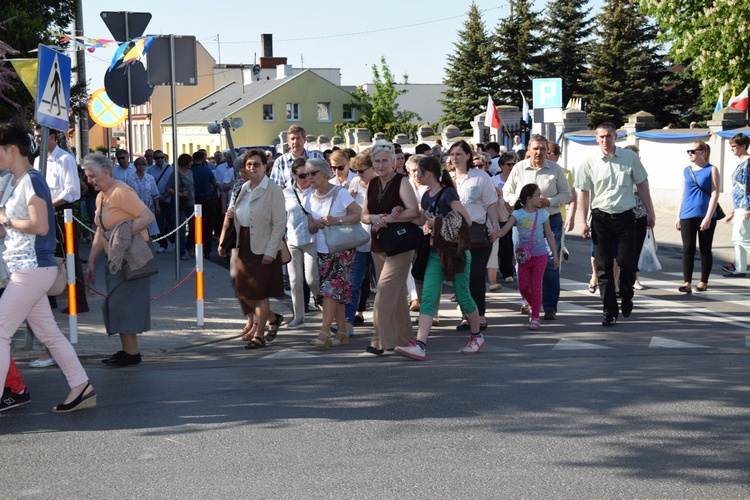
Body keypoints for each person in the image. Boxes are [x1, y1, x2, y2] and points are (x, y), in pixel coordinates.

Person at [0, 122, 95, 412]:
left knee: (0, 333)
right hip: (24, 269)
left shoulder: (32, 180)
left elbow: (41, 226)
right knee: (50, 334)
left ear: (11, 150)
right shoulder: (12, 181)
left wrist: (6, 220)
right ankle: (81, 386)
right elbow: (9, 230)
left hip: (33, 269)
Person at [394, 156, 483, 360]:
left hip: (455, 254)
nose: (414, 175)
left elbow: (466, 221)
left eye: (417, 171)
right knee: (427, 297)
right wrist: (398, 214)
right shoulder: (426, 196)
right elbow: (420, 219)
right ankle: (420, 345)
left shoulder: (447, 193)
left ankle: (476, 336)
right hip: (435, 253)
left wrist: (438, 223)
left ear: (427, 174)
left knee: (463, 296)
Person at [576, 122, 655, 327]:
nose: (605, 140)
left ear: (616, 137)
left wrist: (650, 212)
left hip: (625, 218)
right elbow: (583, 193)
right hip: (600, 219)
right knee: (603, 267)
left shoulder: (630, 159)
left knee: (627, 262)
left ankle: (627, 294)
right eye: (601, 136)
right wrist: (582, 221)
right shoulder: (589, 162)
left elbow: (642, 185)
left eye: (609, 136)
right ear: (596, 138)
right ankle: (609, 310)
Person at [84, 152, 155, 366]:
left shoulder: (122, 191)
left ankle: (132, 354)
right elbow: (100, 229)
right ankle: (128, 351)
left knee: (124, 304)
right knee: (117, 303)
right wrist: (91, 260)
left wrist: (122, 232)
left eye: (93, 176)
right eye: (87, 176)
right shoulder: (102, 195)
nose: (90, 180)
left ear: (107, 172)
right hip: (115, 255)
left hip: (132, 256)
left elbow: (148, 217)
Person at [218, 150, 285, 349]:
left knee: (259, 293)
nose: (252, 168)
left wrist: (271, 252)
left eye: (256, 164)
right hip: (244, 244)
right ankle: (273, 318)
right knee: (243, 292)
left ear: (265, 166)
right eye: (249, 165)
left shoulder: (273, 190)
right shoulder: (243, 188)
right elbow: (240, 216)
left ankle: (259, 334)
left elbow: (279, 224)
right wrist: (232, 218)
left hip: (264, 246)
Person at [361, 140, 421, 355]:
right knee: (395, 294)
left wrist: (387, 219)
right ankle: (406, 339)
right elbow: (364, 215)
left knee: (384, 292)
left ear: (394, 162)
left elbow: (413, 211)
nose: (380, 164)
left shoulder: (402, 182)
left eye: (385, 160)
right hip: (378, 245)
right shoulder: (372, 184)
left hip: (400, 244)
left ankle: (379, 340)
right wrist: (375, 217)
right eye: (376, 161)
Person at [503, 134, 571, 320]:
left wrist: (549, 201)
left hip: (550, 220)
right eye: (535, 148)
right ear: (529, 150)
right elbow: (506, 192)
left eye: (543, 149)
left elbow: (567, 194)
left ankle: (549, 306)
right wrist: (520, 205)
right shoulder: (518, 168)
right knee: (523, 260)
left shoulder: (555, 169)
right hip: (523, 222)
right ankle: (528, 301)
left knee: (550, 263)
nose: (539, 152)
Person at [304, 158, 362, 348]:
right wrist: (315, 224)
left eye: (313, 173)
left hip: (342, 249)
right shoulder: (309, 198)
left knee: (329, 290)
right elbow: (310, 227)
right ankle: (343, 331)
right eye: (307, 174)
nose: (309, 177)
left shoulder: (340, 193)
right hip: (322, 250)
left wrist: (336, 220)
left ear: (325, 173)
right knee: (336, 292)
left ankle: (325, 332)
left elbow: (357, 213)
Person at [449, 140, 500, 332]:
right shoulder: (448, 178)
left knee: (476, 275)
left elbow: (491, 204)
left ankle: (480, 315)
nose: (455, 158)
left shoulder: (480, 176)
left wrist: (495, 227)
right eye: (452, 154)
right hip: (454, 233)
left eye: (459, 154)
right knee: (461, 275)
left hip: (478, 232)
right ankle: (466, 316)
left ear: (468, 156)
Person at [496, 183, 559, 329]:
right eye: (537, 195)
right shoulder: (517, 214)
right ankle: (532, 304)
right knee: (523, 287)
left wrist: (555, 255)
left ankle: (535, 317)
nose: (540, 198)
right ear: (529, 199)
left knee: (536, 285)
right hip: (523, 257)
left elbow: (549, 235)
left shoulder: (543, 214)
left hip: (539, 255)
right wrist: (495, 235)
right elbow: (504, 230)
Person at [675, 140, 720, 293]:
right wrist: (678, 216)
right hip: (687, 214)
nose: (690, 154)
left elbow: (715, 193)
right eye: (688, 151)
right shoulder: (686, 170)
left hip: (706, 214)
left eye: (693, 151)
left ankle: (703, 281)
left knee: (705, 249)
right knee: (688, 248)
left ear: (703, 152)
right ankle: (687, 282)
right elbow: (682, 194)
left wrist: (708, 217)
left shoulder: (711, 169)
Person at [283, 158, 319, 328]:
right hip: (292, 240)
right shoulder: (286, 193)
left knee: (312, 279)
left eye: (310, 174)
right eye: (303, 175)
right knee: (295, 280)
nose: (307, 178)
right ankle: (299, 316)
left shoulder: (316, 191)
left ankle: (326, 309)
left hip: (312, 239)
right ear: (294, 175)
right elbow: (281, 217)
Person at [346, 150, 377, 330]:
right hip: (359, 238)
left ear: (372, 169)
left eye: (361, 170)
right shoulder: (356, 182)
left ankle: (385, 320)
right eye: (355, 171)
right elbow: (350, 210)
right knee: (354, 281)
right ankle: (348, 320)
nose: (358, 174)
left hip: (378, 239)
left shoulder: (380, 184)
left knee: (381, 282)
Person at [722, 133, 750, 278]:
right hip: (740, 206)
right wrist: (733, 210)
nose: (731, 148)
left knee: (742, 238)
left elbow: (748, 186)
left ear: (743, 146)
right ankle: (740, 268)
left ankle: (740, 268)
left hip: (745, 206)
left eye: (734, 146)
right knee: (737, 238)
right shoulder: (742, 162)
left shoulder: (748, 163)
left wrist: (747, 207)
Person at [491, 152, 518, 284]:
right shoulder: (495, 180)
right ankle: (507, 271)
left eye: (514, 164)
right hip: (501, 216)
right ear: (501, 166)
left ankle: (515, 267)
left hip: (516, 213)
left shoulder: (518, 179)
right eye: (508, 164)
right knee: (505, 243)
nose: (511, 166)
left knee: (516, 242)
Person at [165, 154, 195, 261]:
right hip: (180, 204)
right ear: (184, 162)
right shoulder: (176, 174)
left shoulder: (190, 172)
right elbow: (168, 188)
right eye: (189, 161)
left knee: (194, 226)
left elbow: (192, 186)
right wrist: (180, 194)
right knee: (181, 228)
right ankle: (182, 251)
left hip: (191, 203)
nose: (191, 163)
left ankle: (189, 245)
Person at [189, 150, 216, 259]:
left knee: (194, 225)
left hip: (194, 200)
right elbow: (214, 183)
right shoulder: (207, 170)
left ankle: (195, 247)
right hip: (206, 200)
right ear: (203, 159)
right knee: (208, 226)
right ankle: (207, 251)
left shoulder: (189, 171)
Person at [147, 150, 174, 253]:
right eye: (157, 158)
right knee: (159, 223)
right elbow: (149, 186)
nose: (160, 160)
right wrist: (158, 197)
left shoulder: (170, 169)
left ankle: (173, 241)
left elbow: (173, 184)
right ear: (154, 159)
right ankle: (163, 244)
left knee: (172, 221)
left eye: (161, 157)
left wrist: (166, 195)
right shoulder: (150, 170)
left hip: (169, 199)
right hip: (156, 200)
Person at [127, 157, 161, 240]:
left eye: (143, 165)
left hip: (149, 207)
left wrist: (157, 206)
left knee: (152, 232)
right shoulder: (130, 178)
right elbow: (128, 195)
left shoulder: (150, 178)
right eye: (139, 165)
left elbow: (155, 193)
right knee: (139, 231)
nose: (141, 167)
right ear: (135, 166)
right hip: (135, 208)